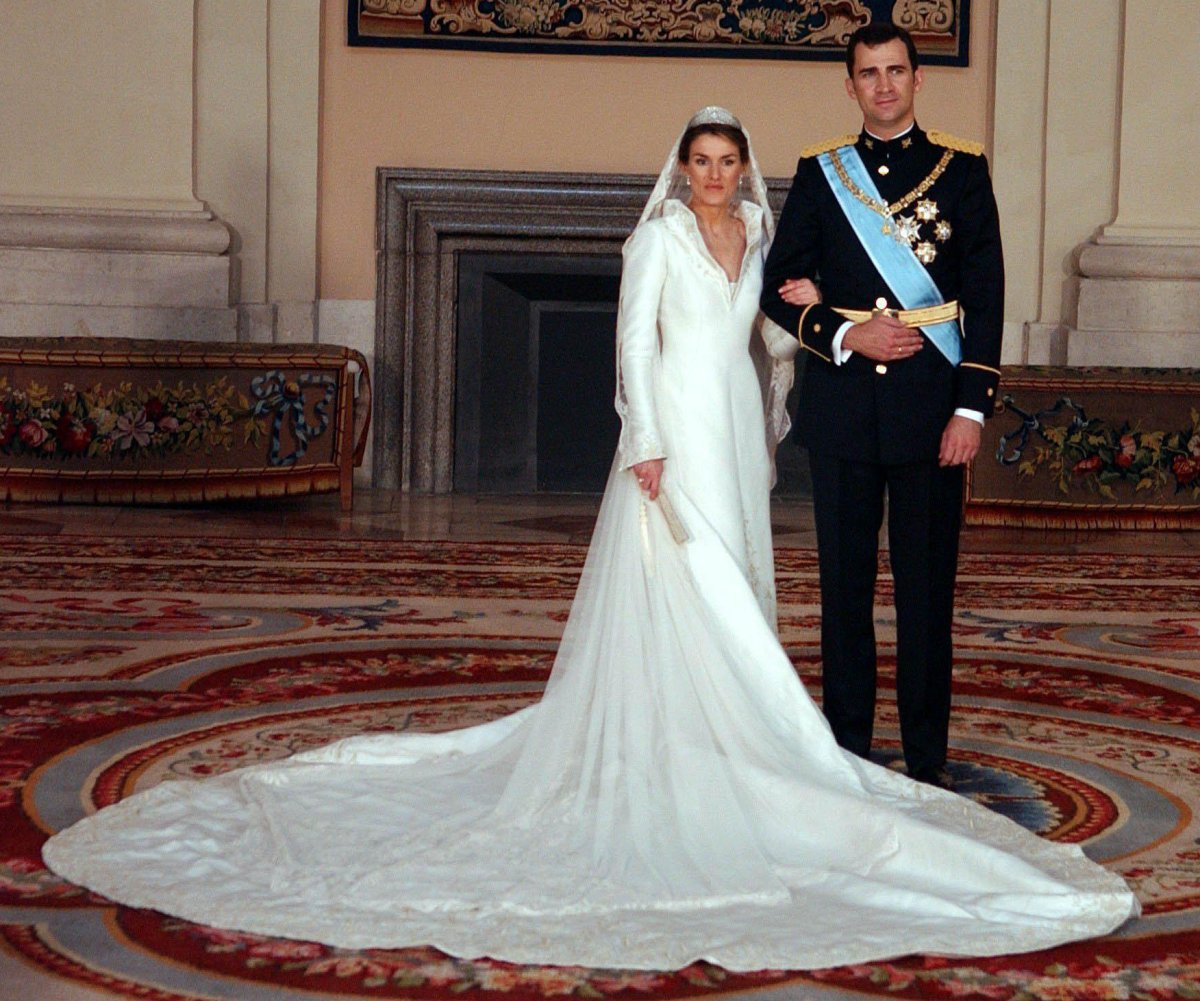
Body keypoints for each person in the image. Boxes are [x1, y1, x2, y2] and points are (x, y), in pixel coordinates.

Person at [42, 108, 1136, 973]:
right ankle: (706, 734)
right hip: (675, 434)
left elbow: (773, 331)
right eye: (699, 159)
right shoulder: (654, 233)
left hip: (738, 433)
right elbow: (630, 342)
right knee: (687, 578)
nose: (712, 173)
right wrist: (645, 439)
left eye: (725, 160)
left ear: (741, 170)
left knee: (741, 580)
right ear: (682, 165)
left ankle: (734, 736)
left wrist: (810, 340)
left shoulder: (758, 232)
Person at [761, 22, 1004, 790]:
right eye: (869, 74)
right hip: (841, 411)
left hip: (933, 411)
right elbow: (777, 286)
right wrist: (844, 333)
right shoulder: (820, 171)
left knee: (928, 591)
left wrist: (971, 410)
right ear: (851, 84)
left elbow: (987, 294)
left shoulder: (960, 170)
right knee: (844, 590)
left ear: (917, 79)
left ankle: (927, 759)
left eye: (896, 71)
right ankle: (849, 753)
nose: (884, 85)